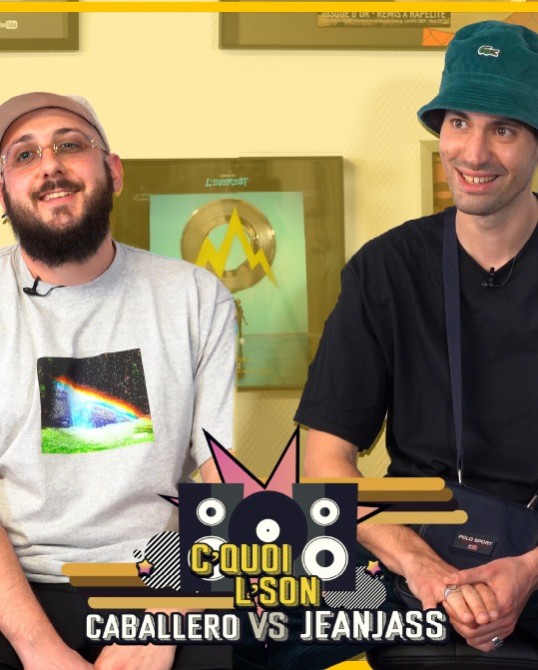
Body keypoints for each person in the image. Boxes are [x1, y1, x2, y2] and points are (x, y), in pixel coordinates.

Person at [293, 19, 538, 669]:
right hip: (412, 569)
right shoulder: (386, 269)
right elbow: (324, 464)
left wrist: (526, 570)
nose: (474, 153)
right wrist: (426, 570)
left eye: (504, 129)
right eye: (459, 122)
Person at [0, 92, 235, 669]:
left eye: (69, 145)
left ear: (113, 171)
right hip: (17, 587)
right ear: (2, 192)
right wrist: (39, 649)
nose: (50, 164)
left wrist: (162, 620)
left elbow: (220, 478)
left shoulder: (195, 297)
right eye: (24, 154)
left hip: (165, 579)